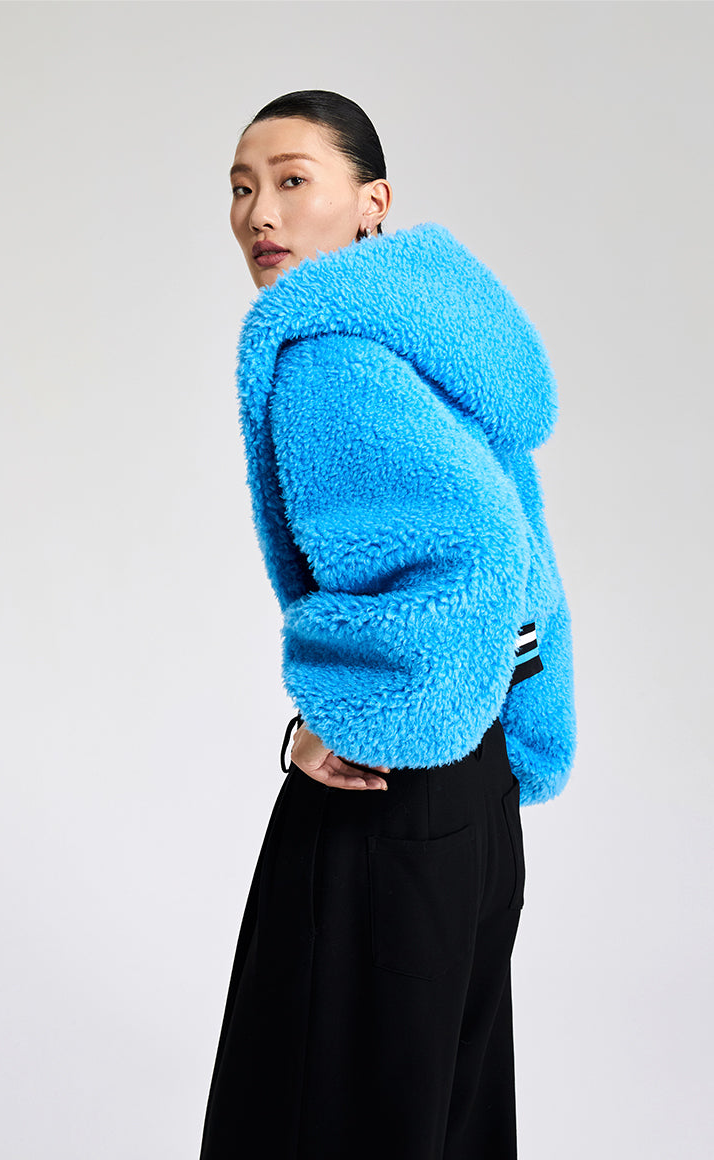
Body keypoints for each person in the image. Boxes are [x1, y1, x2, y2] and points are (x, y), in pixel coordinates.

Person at [198, 89, 577, 1160]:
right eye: (241, 188)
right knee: (442, 1116)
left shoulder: (324, 353)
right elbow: (523, 564)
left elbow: (479, 557)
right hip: (473, 793)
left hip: (387, 794)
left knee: (315, 1118)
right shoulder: (434, 346)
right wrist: (498, 706)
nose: (259, 213)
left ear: (374, 202)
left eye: (292, 180)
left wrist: (354, 714)